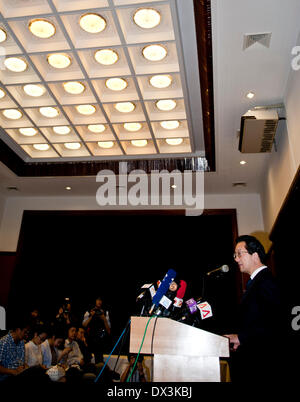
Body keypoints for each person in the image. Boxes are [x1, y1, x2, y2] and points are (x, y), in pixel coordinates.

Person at [224, 235, 285, 382]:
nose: (236, 259)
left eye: (239, 254)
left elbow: (276, 322)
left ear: (255, 255)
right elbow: (258, 320)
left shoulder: (266, 282)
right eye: (235, 255)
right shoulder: (256, 282)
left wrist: (242, 337)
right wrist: (239, 337)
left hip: (264, 365)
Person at [0, 316, 30, 382]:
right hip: (5, 378)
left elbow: (21, 362)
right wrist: (13, 371)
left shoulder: (21, 342)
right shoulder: (3, 342)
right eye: (25, 332)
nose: (26, 335)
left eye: (27, 333)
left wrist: (26, 367)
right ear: (18, 330)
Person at [82, 297, 111, 363]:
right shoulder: (89, 311)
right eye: (98, 300)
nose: (99, 302)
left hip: (100, 340)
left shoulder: (105, 312)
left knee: (99, 359)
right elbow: (84, 325)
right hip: (90, 339)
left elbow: (109, 330)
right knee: (88, 358)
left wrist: (104, 319)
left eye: (100, 300)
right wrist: (91, 316)